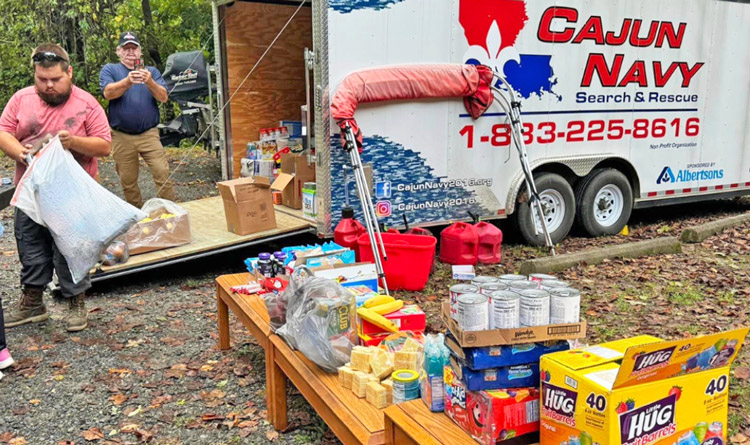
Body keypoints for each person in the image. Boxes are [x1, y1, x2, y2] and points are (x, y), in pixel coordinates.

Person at [0, 44, 112, 332]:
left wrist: (73, 142)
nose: (48, 86)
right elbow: (3, 132)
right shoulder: (21, 100)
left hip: (73, 194)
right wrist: (24, 155)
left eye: (55, 80)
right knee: (31, 245)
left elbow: (104, 146)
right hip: (31, 191)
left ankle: (76, 300)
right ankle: (33, 303)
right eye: (42, 79)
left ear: (69, 73)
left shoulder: (87, 103)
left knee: (71, 248)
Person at [99, 31, 175, 208]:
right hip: (121, 136)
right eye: (126, 48)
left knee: (162, 172)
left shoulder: (152, 72)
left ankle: (170, 214)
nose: (131, 52)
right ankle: (137, 215)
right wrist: (127, 81)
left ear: (140, 52)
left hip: (149, 134)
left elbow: (163, 97)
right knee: (128, 180)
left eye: (134, 48)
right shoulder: (110, 69)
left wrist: (149, 81)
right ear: (118, 51)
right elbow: (108, 93)